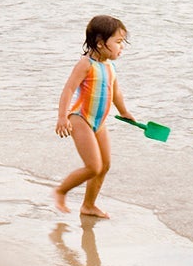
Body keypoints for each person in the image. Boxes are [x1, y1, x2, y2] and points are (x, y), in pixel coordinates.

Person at [54, 14, 134, 219]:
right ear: (100, 43)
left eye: (122, 42)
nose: (121, 47)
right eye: (117, 42)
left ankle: (88, 205)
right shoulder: (86, 64)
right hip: (80, 118)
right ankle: (61, 191)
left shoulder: (110, 66)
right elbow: (69, 89)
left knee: (105, 165)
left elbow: (115, 92)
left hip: (100, 123)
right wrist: (62, 117)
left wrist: (124, 112)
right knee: (93, 166)